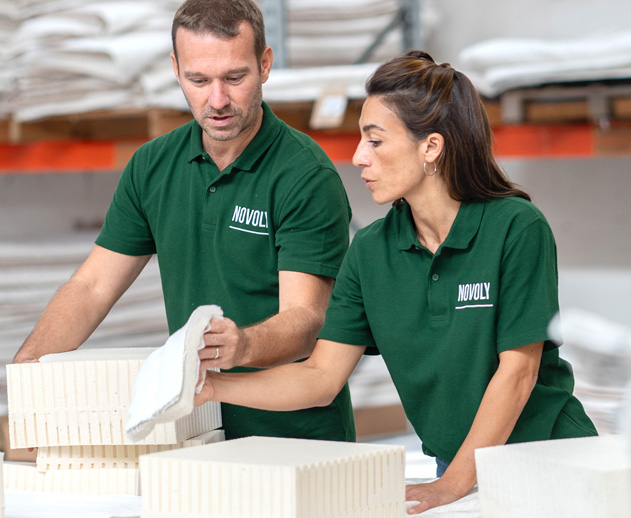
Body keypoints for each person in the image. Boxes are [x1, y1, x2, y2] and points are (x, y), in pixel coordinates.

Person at [194, 50, 598, 514]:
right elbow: (320, 377)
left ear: (431, 147)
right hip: (458, 469)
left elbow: (519, 372)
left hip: (552, 459)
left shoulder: (516, 228)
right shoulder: (370, 252)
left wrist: (450, 485)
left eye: (375, 141)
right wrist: (215, 388)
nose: (358, 157)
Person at [12, 0, 356, 443]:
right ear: (176, 69)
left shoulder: (305, 176)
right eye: (199, 80)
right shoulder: (152, 166)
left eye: (235, 78)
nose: (218, 100)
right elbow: (92, 287)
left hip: (296, 437)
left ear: (265, 64)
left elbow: (306, 317)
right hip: (197, 429)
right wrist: (30, 368)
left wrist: (244, 345)